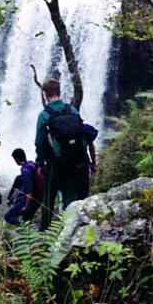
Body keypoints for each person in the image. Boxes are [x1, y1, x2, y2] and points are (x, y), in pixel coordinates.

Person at [35, 77, 84, 230]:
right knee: (69, 196)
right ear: (60, 91)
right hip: (73, 161)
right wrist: (80, 159)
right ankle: (68, 229)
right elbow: (82, 136)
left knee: (49, 196)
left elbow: (39, 141)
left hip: (53, 163)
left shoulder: (44, 115)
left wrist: (39, 163)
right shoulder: (72, 110)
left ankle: (44, 231)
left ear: (45, 94)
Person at [4, 148, 40, 225]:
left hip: (32, 199)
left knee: (8, 216)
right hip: (38, 196)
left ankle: (24, 227)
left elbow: (29, 192)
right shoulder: (31, 164)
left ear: (16, 159)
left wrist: (27, 206)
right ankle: (26, 228)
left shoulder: (25, 171)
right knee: (26, 218)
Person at [75, 123, 99, 200]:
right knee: (83, 190)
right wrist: (94, 164)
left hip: (64, 163)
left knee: (68, 191)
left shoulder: (60, 127)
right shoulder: (85, 129)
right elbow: (91, 147)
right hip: (82, 162)